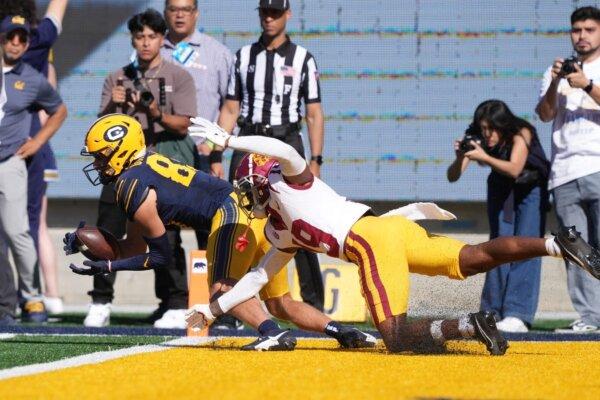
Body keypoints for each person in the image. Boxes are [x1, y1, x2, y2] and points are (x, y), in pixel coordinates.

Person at [185, 118, 600, 354]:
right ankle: (555, 244)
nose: (248, 196)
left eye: (249, 186)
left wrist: (229, 140)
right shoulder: (278, 231)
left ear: (260, 179)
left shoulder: (290, 183)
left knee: (395, 337)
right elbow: (257, 279)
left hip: (369, 242)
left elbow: (287, 151)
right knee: (472, 257)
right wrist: (211, 310)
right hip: (391, 228)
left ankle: (471, 325)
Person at [64, 113, 375, 351]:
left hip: (232, 214)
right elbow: (130, 248)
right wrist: (88, 245)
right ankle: (342, 331)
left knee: (222, 291)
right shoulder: (141, 175)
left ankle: (272, 333)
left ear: (120, 151)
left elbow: (159, 256)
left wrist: (107, 266)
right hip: (252, 213)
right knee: (280, 302)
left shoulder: (130, 185)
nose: (98, 164)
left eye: (101, 156)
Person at [85, 9, 197, 329]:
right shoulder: (116, 77)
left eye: (151, 36)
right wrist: (113, 106)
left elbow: (184, 125)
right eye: (139, 37)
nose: (146, 43)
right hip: (117, 168)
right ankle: (100, 300)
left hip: (157, 166)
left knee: (166, 234)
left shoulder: (178, 76)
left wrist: (154, 111)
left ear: (162, 39)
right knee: (108, 230)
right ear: (132, 40)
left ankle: (174, 301)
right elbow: (99, 129)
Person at [216, 0, 326, 314]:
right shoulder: (243, 56)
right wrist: (217, 150)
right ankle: (232, 301)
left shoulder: (303, 58)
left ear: (287, 15)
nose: (269, 18)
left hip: (287, 139)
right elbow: (230, 108)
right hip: (250, 139)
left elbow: (314, 114)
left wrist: (315, 161)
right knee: (239, 216)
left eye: (275, 13)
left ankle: (313, 303)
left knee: (300, 219)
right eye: (264, 12)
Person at [161, 0, 235, 327]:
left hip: (204, 157)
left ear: (196, 13)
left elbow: (231, 106)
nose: (179, 14)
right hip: (161, 158)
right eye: (173, 8)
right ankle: (175, 301)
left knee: (210, 232)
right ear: (166, 12)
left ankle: (217, 303)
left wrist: (217, 151)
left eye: (186, 8)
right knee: (165, 230)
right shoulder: (150, 48)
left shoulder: (217, 53)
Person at [447, 100, 550, 333]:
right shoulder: (477, 137)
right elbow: (452, 176)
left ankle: (517, 314)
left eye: (491, 128)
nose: (487, 134)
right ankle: (491, 312)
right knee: (496, 248)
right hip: (501, 189)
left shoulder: (521, 132)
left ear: (503, 125)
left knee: (527, 247)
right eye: (483, 128)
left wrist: (484, 157)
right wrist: (459, 156)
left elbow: (515, 168)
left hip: (529, 189)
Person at [0, 0, 70, 315]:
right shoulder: (39, 38)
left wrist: (39, 139)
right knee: (29, 226)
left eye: (21, 37)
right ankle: (22, 299)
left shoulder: (30, 62)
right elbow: (56, 14)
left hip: (16, 155)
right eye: (9, 36)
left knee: (23, 228)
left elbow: (58, 108)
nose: (16, 42)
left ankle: (34, 296)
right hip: (23, 151)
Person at [536, 6, 600, 333]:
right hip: (564, 172)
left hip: (597, 166)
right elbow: (545, 114)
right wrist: (557, 82)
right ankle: (589, 319)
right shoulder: (555, 72)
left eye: (589, 29)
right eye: (577, 30)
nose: (582, 36)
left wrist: (587, 85)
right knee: (577, 251)